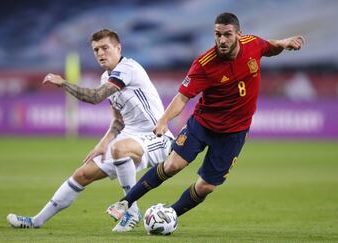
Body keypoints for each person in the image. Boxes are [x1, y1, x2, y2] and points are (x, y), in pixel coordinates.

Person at [106, 12, 305, 223]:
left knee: (207, 186)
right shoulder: (204, 64)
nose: (222, 40)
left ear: (239, 34)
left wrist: (283, 43)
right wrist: (164, 121)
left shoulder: (253, 44)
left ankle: (169, 216)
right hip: (203, 124)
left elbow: (269, 47)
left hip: (234, 132)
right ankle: (125, 202)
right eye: (217, 34)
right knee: (173, 164)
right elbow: (182, 98)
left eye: (227, 35)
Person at [6, 29, 174, 232]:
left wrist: (64, 83)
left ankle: (130, 209)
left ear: (118, 48)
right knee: (82, 174)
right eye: (96, 50)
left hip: (157, 135)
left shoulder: (128, 68)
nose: (101, 53)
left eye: (105, 48)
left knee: (119, 148)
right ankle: (36, 221)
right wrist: (103, 143)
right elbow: (118, 121)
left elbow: (94, 97)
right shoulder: (106, 77)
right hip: (131, 137)